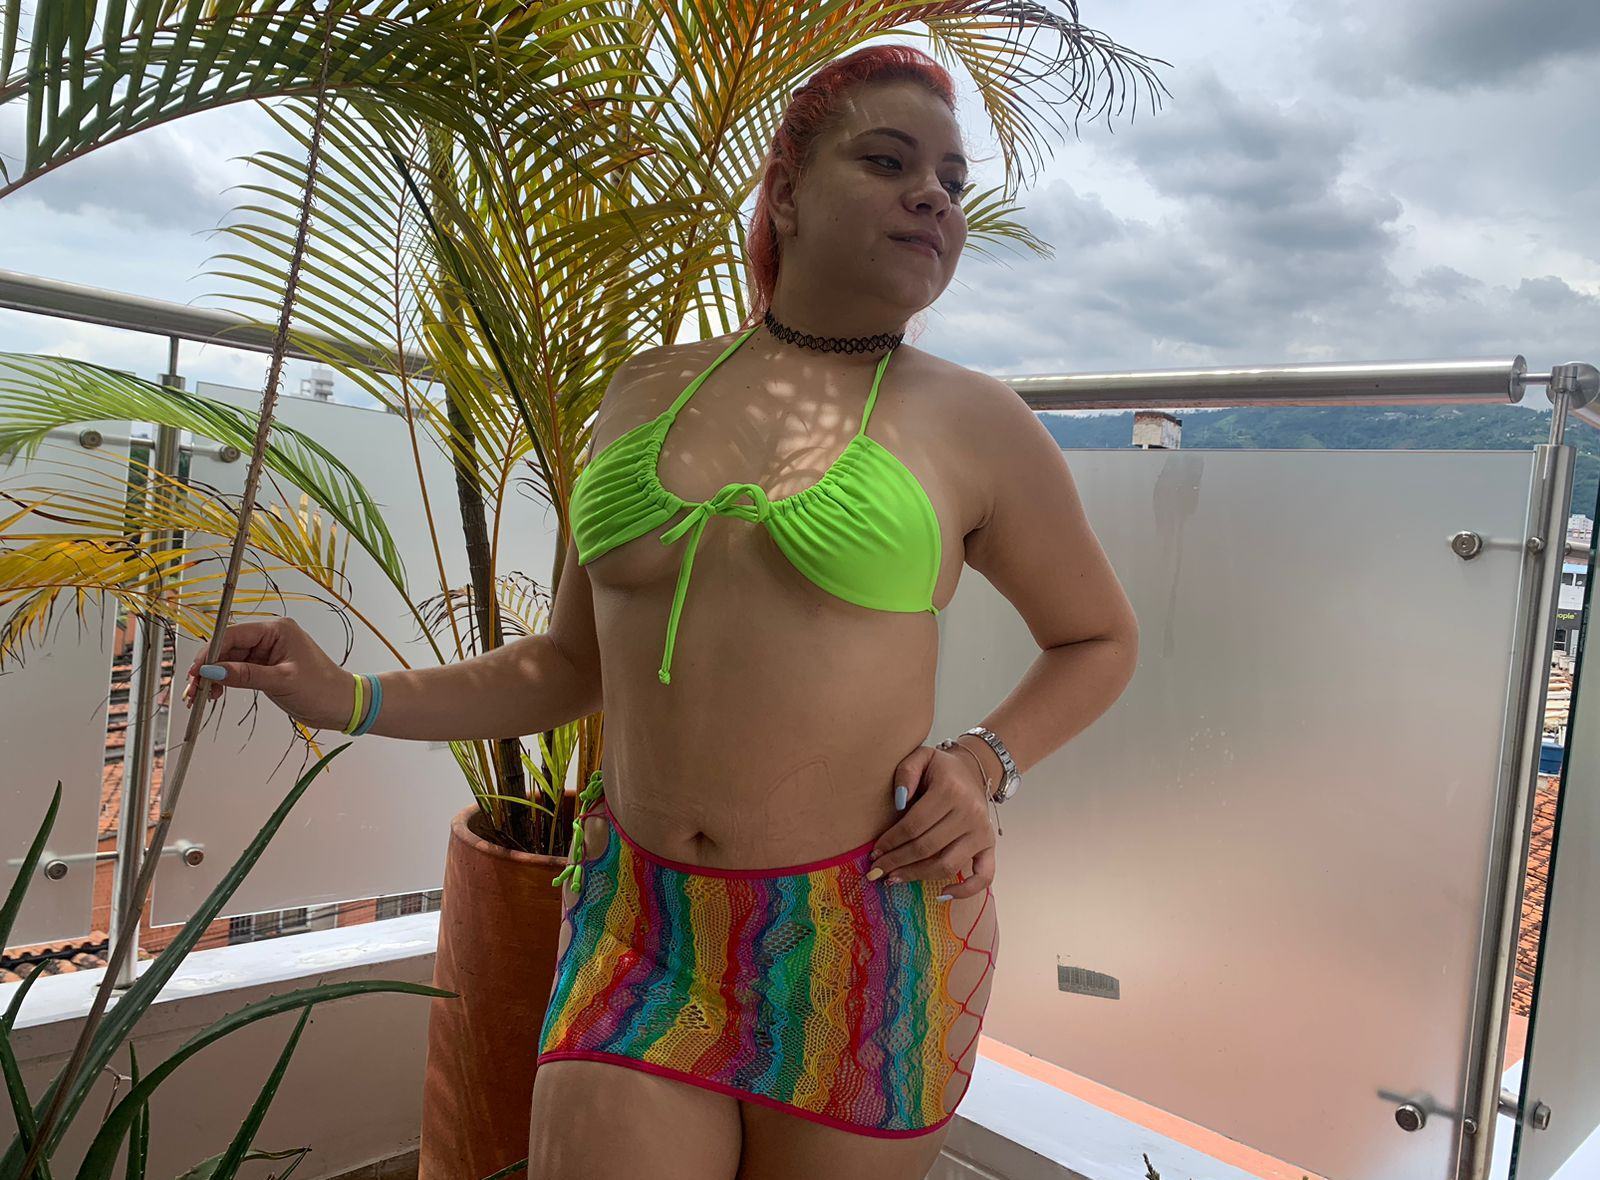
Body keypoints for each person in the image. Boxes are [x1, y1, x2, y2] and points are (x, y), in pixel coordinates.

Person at [186, 43, 1138, 1180]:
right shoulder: (645, 391)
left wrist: (981, 763)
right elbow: (565, 665)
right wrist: (346, 695)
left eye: (951, 179)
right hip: (643, 928)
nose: (932, 195)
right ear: (786, 191)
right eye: (888, 162)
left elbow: (1096, 638)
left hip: (863, 930)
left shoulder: (978, 423)